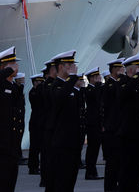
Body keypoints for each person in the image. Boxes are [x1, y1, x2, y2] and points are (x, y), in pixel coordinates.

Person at [0, 47, 25, 192]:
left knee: (9, 186)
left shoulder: (12, 87)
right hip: (0, 148)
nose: (16, 65)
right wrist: (7, 71)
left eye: (15, 62)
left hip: (12, 147)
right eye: (12, 63)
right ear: (3, 67)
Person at [48, 50, 83, 192]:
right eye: (70, 64)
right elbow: (60, 98)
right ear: (61, 67)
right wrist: (73, 78)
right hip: (61, 143)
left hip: (72, 143)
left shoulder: (71, 87)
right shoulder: (55, 86)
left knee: (70, 181)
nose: (73, 67)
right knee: (60, 182)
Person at [118, 54, 139, 192]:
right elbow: (125, 93)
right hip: (128, 135)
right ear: (131, 70)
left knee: (137, 170)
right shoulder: (122, 83)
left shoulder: (138, 87)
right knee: (127, 171)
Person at [102, 58, 124, 192]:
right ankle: (110, 188)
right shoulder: (109, 85)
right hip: (112, 129)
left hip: (118, 128)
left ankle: (115, 186)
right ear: (115, 70)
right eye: (120, 68)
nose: (123, 70)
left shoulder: (117, 84)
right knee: (112, 163)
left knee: (118, 162)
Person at [83, 67, 104, 180]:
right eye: (96, 77)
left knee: (95, 149)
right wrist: (98, 85)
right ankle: (90, 172)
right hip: (92, 123)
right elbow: (96, 99)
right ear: (91, 78)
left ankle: (93, 171)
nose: (99, 79)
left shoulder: (96, 88)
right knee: (92, 148)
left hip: (97, 122)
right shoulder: (89, 90)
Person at [41, 59, 58, 190]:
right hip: (49, 126)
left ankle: (49, 179)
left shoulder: (52, 84)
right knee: (48, 156)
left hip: (52, 126)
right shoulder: (48, 85)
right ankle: (46, 180)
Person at [28, 73, 45, 175]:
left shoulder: (38, 91)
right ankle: (33, 166)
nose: (41, 84)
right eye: (39, 82)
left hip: (39, 121)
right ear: (35, 82)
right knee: (35, 146)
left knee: (38, 146)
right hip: (35, 123)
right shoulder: (33, 92)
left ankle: (35, 165)